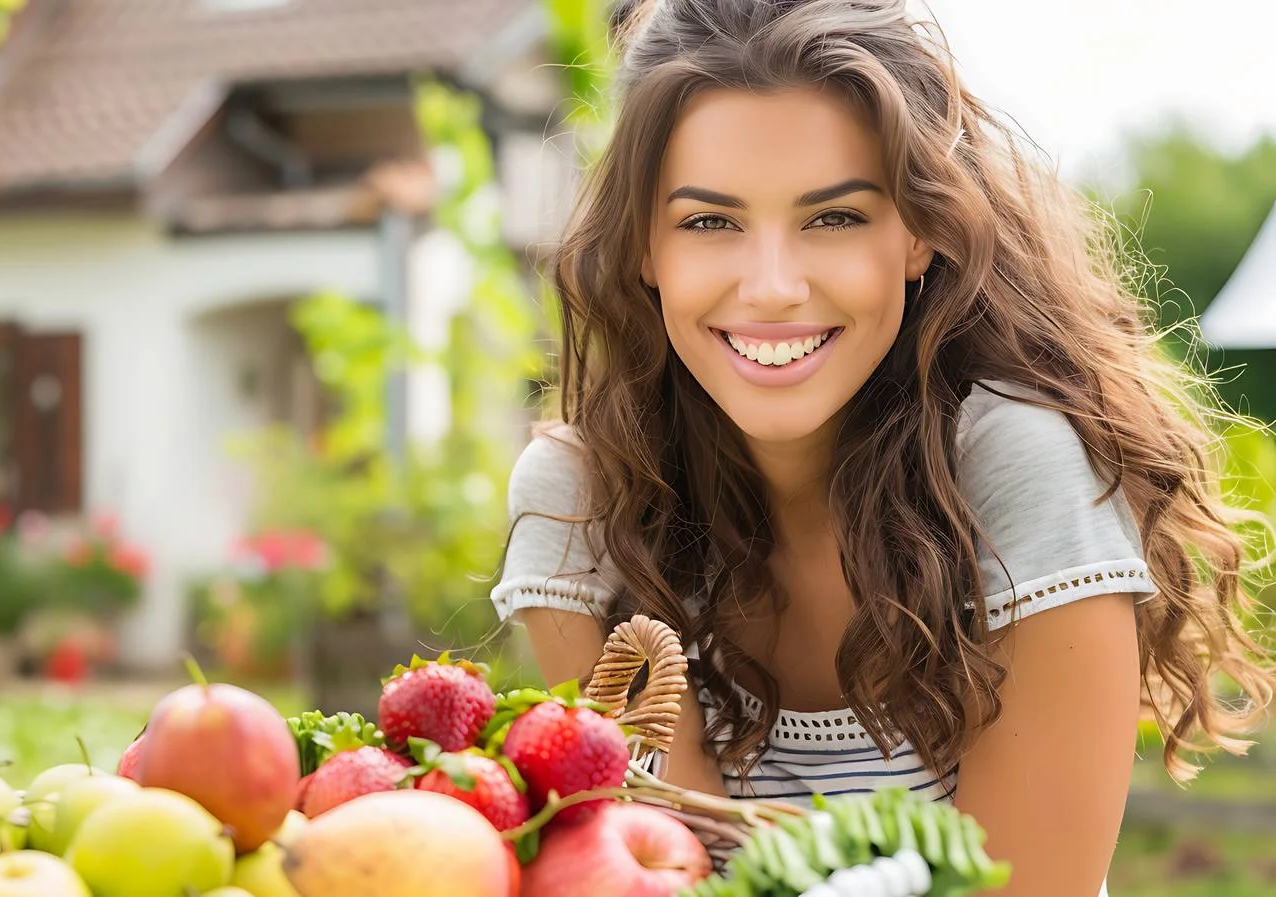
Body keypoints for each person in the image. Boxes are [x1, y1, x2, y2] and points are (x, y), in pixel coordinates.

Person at [488, 2, 1276, 895]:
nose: (775, 286)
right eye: (710, 222)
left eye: (834, 219)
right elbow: (671, 875)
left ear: (920, 231)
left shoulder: (1017, 468)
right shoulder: (582, 500)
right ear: (643, 246)